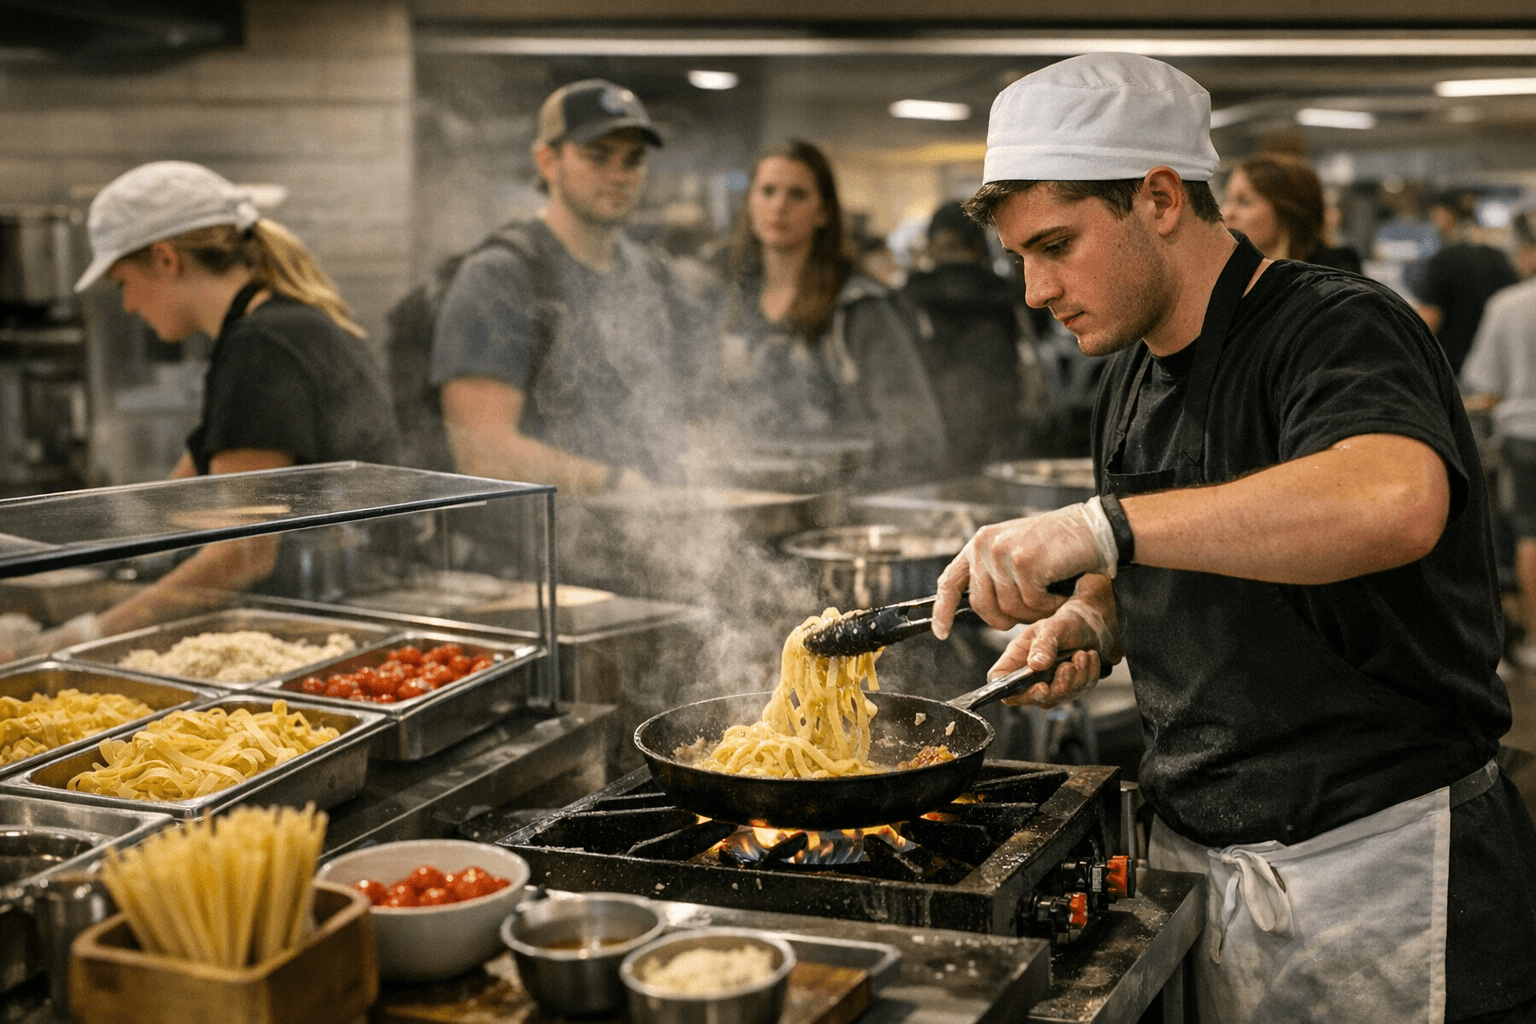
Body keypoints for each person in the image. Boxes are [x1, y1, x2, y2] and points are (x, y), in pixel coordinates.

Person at [927, 53, 1536, 1023]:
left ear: (1161, 196)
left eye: (1056, 244)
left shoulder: (1335, 326)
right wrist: (1091, 619)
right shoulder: (1131, 370)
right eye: (1019, 258)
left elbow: (1392, 499)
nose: (1036, 291)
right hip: (1207, 855)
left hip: (1379, 868)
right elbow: (1168, 553)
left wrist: (1097, 527)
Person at [14, 160, 401, 655]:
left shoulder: (262, 346)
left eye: (121, 282)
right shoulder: (272, 328)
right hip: (335, 611)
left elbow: (243, 553)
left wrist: (79, 638)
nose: (128, 305)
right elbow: (177, 499)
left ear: (166, 259)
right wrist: (81, 575)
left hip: (332, 628)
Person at [429, 78, 704, 495]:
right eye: (598, 156)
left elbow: (686, 412)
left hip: (650, 542)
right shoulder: (499, 276)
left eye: (633, 160)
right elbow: (483, 454)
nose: (619, 175)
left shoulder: (653, 277)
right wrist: (614, 482)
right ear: (547, 162)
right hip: (537, 550)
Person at [713, 138, 947, 488]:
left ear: (823, 211)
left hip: (838, 516)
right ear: (749, 203)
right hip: (745, 505)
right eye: (767, 191)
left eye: (797, 194)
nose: (779, 205)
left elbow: (917, 436)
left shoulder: (859, 309)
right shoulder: (728, 304)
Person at [900, 199, 1039, 474]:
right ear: (978, 244)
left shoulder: (910, 296)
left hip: (937, 434)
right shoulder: (1013, 294)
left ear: (932, 243)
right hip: (1007, 431)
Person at [1461, 207, 1536, 670]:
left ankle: (1533, 639)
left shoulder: (1508, 305)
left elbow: (1483, 381)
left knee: (1529, 535)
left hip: (1523, 434)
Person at [1414, 189, 1519, 375]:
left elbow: (1429, 318)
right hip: (1495, 366)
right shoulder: (1500, 257)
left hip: (1453, 366)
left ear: (1445, 215)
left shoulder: (1445, 259)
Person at [1219, 152, 1362, 273]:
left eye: (1244, 202)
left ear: (1288, 212)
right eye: (1227, 200)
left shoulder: (1333, 279)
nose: (1225, 214)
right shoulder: (1240, 271)